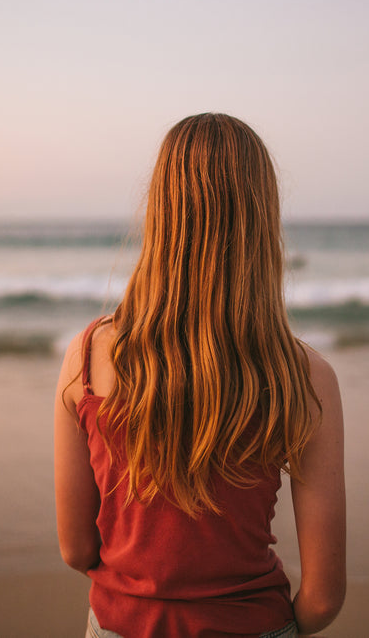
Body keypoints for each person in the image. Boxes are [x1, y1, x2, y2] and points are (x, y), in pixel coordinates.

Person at [54, 113, 346, 638]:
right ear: (263, 219)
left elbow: (76, 549)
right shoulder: (304, 377)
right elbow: (323, 598)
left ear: (161, 212)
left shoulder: (86, 358)